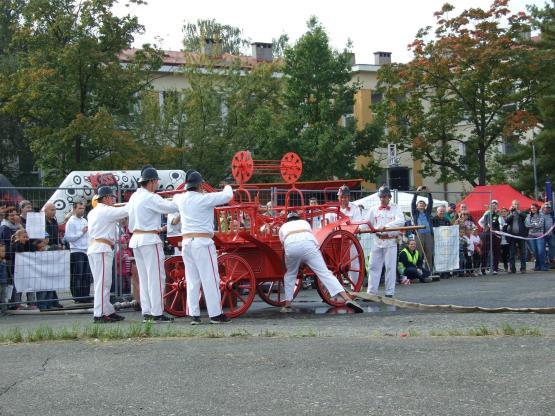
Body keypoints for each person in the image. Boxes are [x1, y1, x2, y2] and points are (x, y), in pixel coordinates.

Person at [174, 170, 234, 325]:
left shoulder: (180, 199)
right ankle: (215, 314)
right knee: (211, 278)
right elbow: (227, 196)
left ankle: (194, 315)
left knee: (192, 279)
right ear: (200, 185)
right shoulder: (204, 199)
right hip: (202, 241)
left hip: (186, 242)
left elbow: (174, 199)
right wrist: (227, 186)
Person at [279, 211, 364, 312]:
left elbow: (283, 244)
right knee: (325, 273)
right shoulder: (305, 223)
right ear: (298, 218)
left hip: (291, 247)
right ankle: (347, 298)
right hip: (309, 246)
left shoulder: (283, 227)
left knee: (290, 275)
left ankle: (287, 304)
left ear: (287, 220)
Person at [128, 166, 179, 323]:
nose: (157, 185)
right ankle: (157, 312)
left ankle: (148, 311)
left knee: (144, 278)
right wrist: (180, 198)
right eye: (156, 181)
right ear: (151, 182)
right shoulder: (150, 197)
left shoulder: (134, 197)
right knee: (156, 276)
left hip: (136, 239)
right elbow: (171, 207)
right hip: (149, 239)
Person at [87, 186, 129, 323]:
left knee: (104, 282)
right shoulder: (106, 211)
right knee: (102, 283)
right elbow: (125, 211)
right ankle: (99, 314)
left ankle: (108, 311)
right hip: (102, 249)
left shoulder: (94, 212)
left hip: (97, 248)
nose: (113, 200)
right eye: (111, 197)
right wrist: (135, 201)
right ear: (105, 198)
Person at [365, 185, 405, 297]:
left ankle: (389, 293)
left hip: (391, 241)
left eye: (384, 196)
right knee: (373, 266)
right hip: (377, 240)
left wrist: (386, 227)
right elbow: (367, 222)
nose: (382, 199)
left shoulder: (396, 208)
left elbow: (401, 221)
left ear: (389, 197)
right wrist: (358, 229)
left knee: (390, 267)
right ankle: (371, 293)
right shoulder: (373, 209)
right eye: (381, 197)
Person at [65, 202, 93, 302]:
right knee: (77, 275)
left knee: (86, 275)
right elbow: (68, 238)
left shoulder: (85, 220)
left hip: (86, 250)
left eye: (83, 208)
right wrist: (82, 232)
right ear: (74, 209)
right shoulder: (71, 222)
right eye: (80, 208)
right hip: (76, 251)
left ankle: (85, 295)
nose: (82, 210)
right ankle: (77, 297)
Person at [411, 186, 434, 271]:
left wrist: (429, 193)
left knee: (429, 253)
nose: (421, 204)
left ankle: (429, 271)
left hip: (428, 234)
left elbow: (431, 203)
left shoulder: (427, 213)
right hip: (419, 234)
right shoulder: (415, 213)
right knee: (419, 253)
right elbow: (413, 203)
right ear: (417, 206)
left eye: (423, 204)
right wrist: (416, 193)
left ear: (425, 206)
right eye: (419, 203)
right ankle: (419, 270)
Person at [478, 200, 501, 275]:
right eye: (492, 206)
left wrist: (499, 230)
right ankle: (483, 269)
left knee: (496, 252)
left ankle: (495, 269)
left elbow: (502, 224)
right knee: (485, 252)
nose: (493, 207)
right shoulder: (486, 214)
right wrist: (485, 227)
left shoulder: (498, 215)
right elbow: (480, 221)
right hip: (487, 235)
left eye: (495, 206)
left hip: (496, 235)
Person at [505, 199, 528, 274]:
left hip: (521, 235)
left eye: (518, 204)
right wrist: (511, 213)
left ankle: (523, 268)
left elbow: (526, 217)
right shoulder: (510, 212)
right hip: (512, 236)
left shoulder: (522, 212)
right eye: (515, 204)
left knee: (523, 252)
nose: (516, 206)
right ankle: (512, 269)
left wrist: (519, 212)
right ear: (512, 205)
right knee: (512, 253)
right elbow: (506, 221)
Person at [525, 203, 547, 271]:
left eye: (534, 208)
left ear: (537, 208)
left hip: (539, 235)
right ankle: (537, 265)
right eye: (531, 208)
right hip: (531, 236)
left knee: (541, 251)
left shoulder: (541, 215)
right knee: (534, 252)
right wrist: (534, 224)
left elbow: (540, 224)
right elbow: (526, 224)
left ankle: (543, 266)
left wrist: (532, 225)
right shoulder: (528, 216)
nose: (533, 209)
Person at [542, 202, 554, 269]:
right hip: (542, 235)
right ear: (543, 208)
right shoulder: (540, 214)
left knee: (552, 246)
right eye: (546, 208)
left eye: (549, 208)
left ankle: (551, 260)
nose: (547, 209)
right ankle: (545, 261)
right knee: (542, 248)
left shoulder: (552, 214)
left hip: (551, 234)